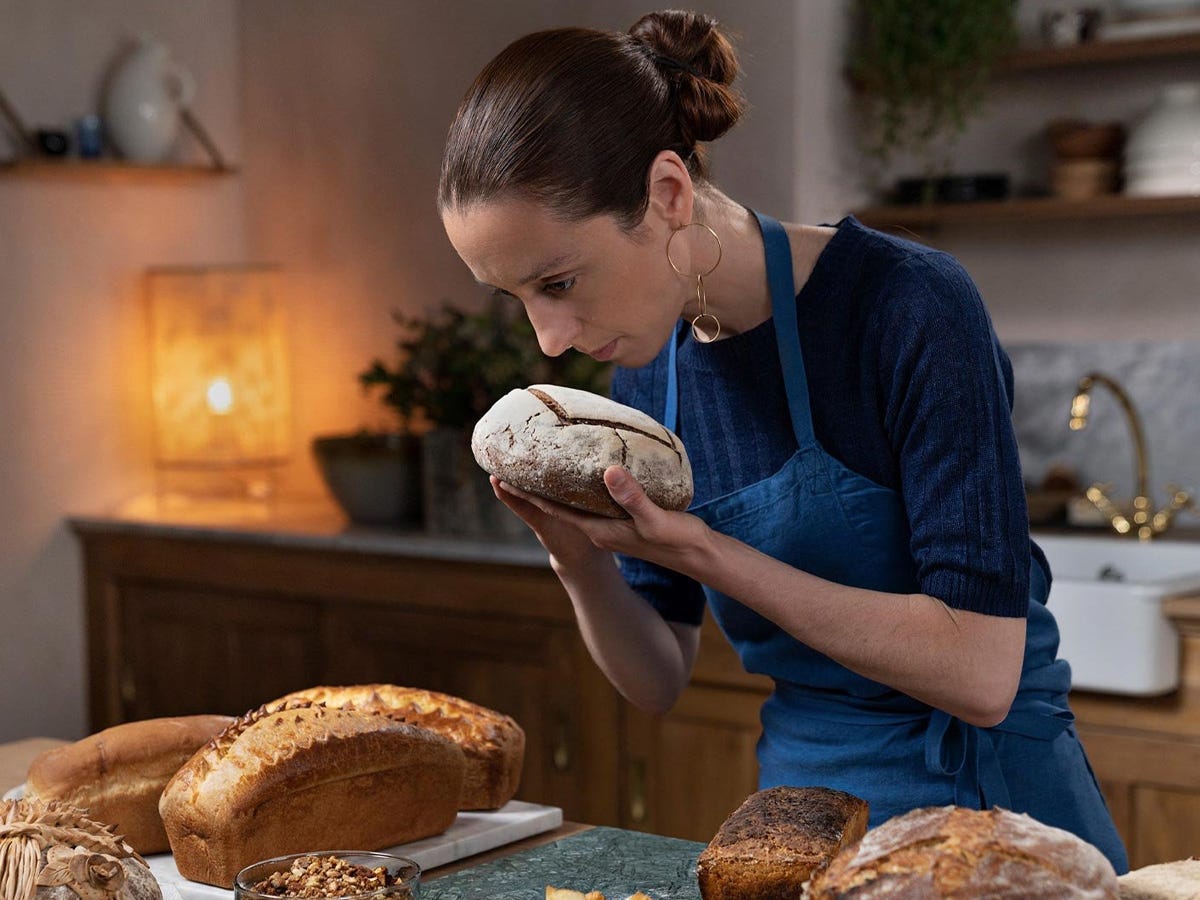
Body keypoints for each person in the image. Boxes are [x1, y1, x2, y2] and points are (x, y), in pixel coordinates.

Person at [436, 9, 1129, 873]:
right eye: (518, 298)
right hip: (799, 827)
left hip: (988, 824)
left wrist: (712, 556)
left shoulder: (909, 308)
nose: (547, 337)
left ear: (668, 194)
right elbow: (657, 679)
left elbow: (981, 672)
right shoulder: (652, 364)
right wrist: (578, 558)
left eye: (559, 281)